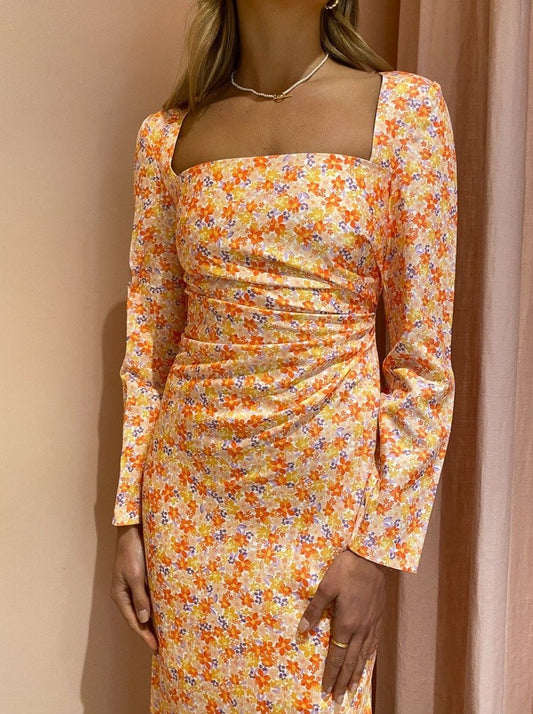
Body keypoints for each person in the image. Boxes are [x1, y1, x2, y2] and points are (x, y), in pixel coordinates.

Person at [110, 0, 458, 711]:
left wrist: (375, 548)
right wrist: (130, 519)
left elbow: (422, 361)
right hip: (190, 500)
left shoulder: (406, 113)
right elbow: (149, 348)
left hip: (326, 509)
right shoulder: (167, 135)